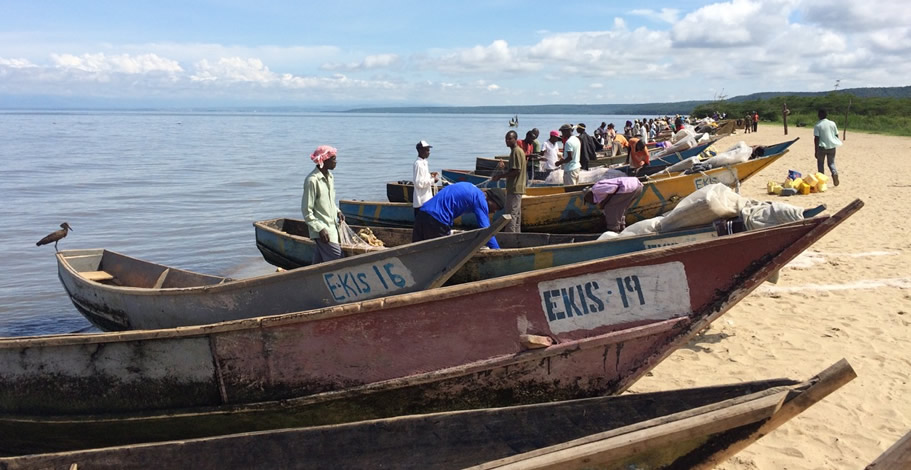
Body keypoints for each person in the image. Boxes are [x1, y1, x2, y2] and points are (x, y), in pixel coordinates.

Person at [412, 182, 503, 248]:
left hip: (422, 214)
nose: (494, 212)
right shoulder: (481, 200)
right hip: (437, 220)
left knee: (415, 251)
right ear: (491, 200)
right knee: (439, 255)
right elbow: (486, 231)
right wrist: (498, 251)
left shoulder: (472, 188)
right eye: (496, 208)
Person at [301, 145, 345, 264]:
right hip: (324, 232)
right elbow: (306, 210)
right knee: (338, 260)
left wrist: (337, 211)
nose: (336, 162)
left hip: (333, 228)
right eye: (333, 159)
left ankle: (312, 280)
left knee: (318, 264)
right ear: (324, 160)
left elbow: (329, 201)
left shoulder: (330, 177)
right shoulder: (312, 180)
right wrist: (320, 229)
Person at [491, 130, 526, 232]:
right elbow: (513, 169)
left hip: (515, 188)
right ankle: (516, 235)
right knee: (516, 214)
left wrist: (500, 176)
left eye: (509, 138)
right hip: (516, 187)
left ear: (515, 139)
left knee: (511, 214)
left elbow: (516, 171)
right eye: (506, 139)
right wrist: (504, 168)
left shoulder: (516, 151)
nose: (507, 141)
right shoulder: (516, 151)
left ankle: (509, 237)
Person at [813, 109, 842, 186]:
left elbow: (816, 138)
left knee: (820, 164)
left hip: (822, 147)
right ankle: (834, 173)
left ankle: (822, 182)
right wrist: (834, 142)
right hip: (832, 146)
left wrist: (816, 150)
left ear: (819, 115)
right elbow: (836, 135)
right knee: (831, 163)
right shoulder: (832, 123)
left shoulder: (818, 125)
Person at [412, 140, 439, 214]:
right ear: (420, 151)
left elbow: (423, 177)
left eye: (429, 150)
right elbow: (418, 183)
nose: (429, 152)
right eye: (427, 150)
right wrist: (433, 181)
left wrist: (430, 175)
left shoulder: (424, 162)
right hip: (421, 202)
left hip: (427, 200)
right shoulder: (418, 164)